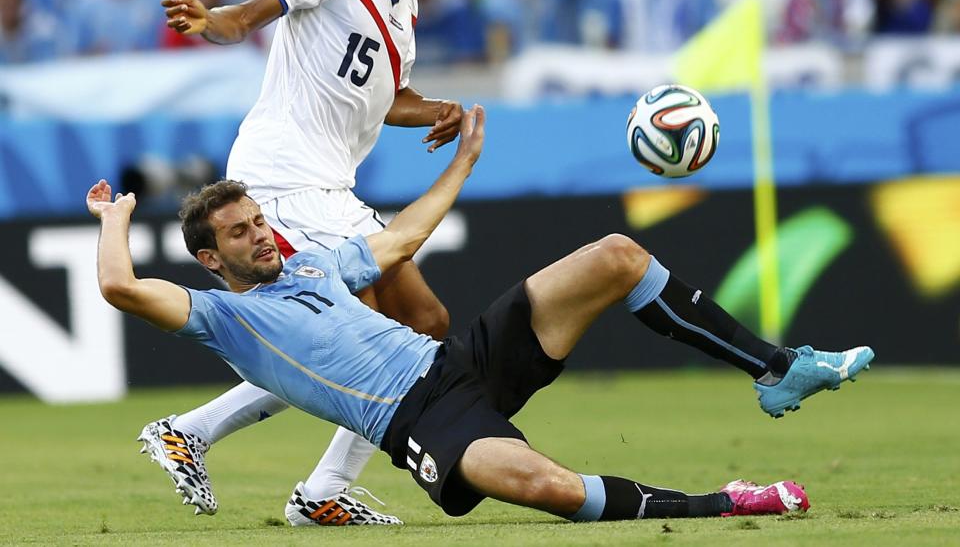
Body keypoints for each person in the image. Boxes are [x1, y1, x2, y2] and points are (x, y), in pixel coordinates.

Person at [88, 106, 874, 525]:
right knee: (554, 491)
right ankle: (731, 502)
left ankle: (775, 370)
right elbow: (122, 289)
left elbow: (400, 238)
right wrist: (115, 220)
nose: (260, 234)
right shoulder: (221, 316)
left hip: (461, 361)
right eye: (239, 232)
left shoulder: (314, 263)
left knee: (614, 256)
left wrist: (462, 161)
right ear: (210, 258)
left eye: (259, 221)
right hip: (424, 423)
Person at [141, 0, 469, 525]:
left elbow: (385, 96)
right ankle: (275, 473)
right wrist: (215, 20)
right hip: (280, 175)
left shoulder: (404, 14)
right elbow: (254, 12)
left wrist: (438, 109)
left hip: (332, 188)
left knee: (425, 325)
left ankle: (245, 455)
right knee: (345, 326)